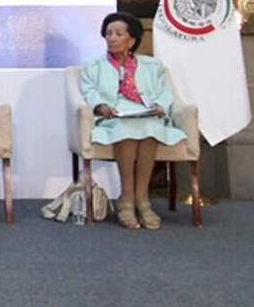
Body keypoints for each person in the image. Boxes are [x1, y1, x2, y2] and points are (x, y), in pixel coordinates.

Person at [79, 12, 186, 230]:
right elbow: (88, 91)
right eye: (108, 33)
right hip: (114, 117)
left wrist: (159, 106)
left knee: (150, 127)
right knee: (125, 127)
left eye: (119, 33)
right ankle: (127, 199)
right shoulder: (94, 65)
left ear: (132, 40)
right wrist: (100, 106)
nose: (112, 38)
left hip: (146, 113)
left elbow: (165, 92)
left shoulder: (152, 65)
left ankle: (143, 200)